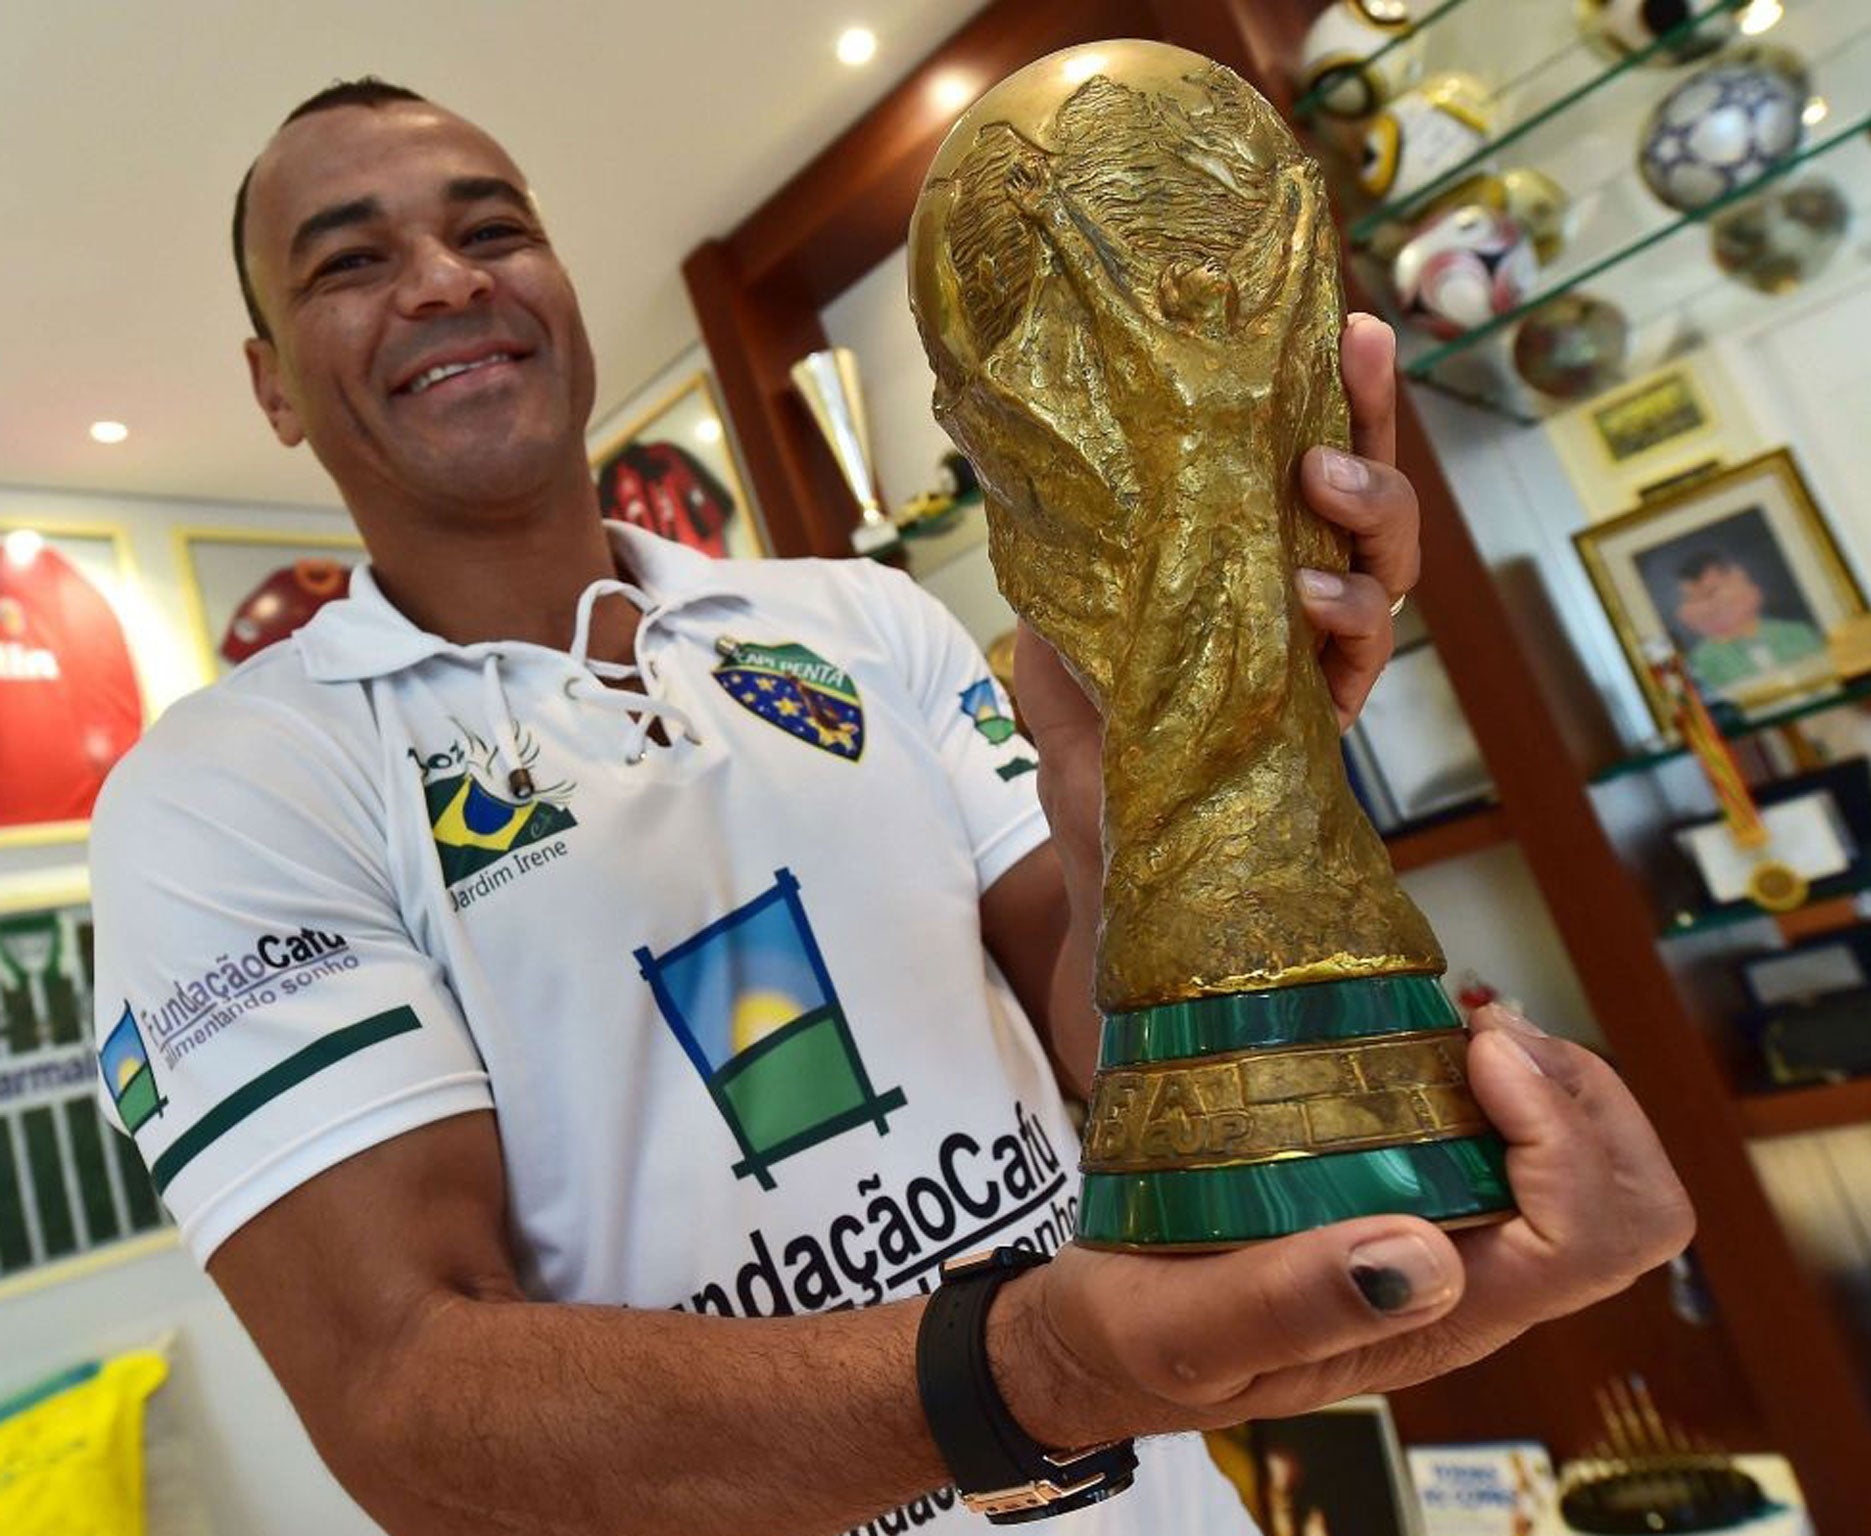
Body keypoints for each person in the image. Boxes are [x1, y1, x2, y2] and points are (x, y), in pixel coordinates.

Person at [87, 80, 1693, 1536]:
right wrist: (1037, 1369)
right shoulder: (230, 790)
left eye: (493, 228)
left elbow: (1101, 1039)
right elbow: (413, 1410)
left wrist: (1199, 753)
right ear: (272, 386)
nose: (447, 279)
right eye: (348, 262)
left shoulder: (863, 624)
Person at [1671, 548, 1825, 694]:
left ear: (1746, 585)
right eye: (1691, 600)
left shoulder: (1798, 633)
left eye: (1712, 592)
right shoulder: (1701, 662)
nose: (1706, 608)